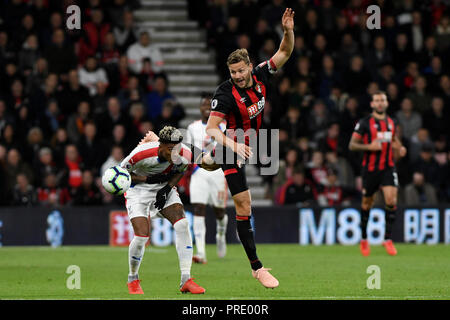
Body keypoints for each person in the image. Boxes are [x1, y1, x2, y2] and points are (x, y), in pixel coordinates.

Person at [205, 8, 295, 289]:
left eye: (241, 71)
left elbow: (285, 52)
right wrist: (233, 144)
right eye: (233, 72)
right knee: (244, 204)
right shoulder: (224, 94)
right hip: (230, 145)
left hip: (245, 144)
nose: (237, 76)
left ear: (249, 65)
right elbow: (211, 129)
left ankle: (198, 158)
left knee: (208, 163)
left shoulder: (261, 75)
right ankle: (257, 268)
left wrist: (288, 31)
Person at [120, 126, 205, 295]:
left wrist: (167, 188)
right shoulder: (141, 154)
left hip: (162, 188)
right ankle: (133, 278)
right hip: (138, 191)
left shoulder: (184, 154)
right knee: (142, 236)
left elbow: (181, 170)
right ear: (161, 145)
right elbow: (121, 174)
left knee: (182, 224)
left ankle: (186, 279)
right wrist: (147, 178)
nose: (175, 153)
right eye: (171, 149)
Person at [349, 91, 407, 257]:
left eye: (383, 100)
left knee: (391, 200)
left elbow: (393, 139)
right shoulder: (365, 123)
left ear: (387, 103)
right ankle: (364, 239)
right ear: (372, 104)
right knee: (367, 204)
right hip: (370, 169)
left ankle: (387, 239)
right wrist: (369, 147)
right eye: (377, 101)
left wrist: (400, 147)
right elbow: (352, 145)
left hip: (388, 168)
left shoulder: (392, 122)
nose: (380, 103)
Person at [185, 93, 228, 264]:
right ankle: (201, 252)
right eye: (204, 105)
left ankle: (221, 233)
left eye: (210, 105)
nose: (207, 108)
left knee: (219, 212)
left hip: (218, 172)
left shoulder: (224, 126)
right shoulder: (192, 128)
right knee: (198, 209)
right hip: (198, 172)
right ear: (200, 108)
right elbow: (188, 150)